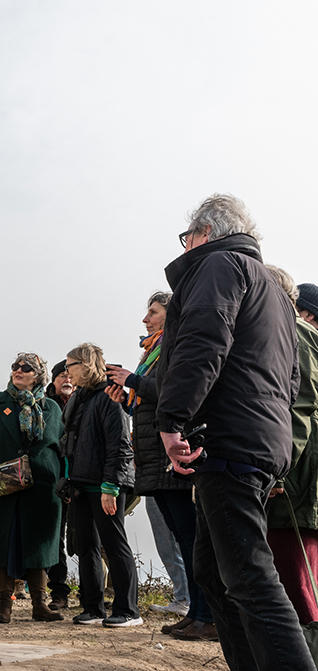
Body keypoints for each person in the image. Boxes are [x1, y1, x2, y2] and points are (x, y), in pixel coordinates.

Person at [158, 194, 312, 670]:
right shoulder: (271, 287)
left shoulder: (220, 265)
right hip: (257, 441)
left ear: (206, 232)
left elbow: (204, 341)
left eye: (188, 237)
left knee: (249, 576)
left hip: (229, 441)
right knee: (213, 570)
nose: (185, 247)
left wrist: (172, 419)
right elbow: (291, 379)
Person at [106, 291, 212, 639]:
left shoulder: (176, 344)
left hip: (171, 452)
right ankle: (195, 611)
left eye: (153, 312)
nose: (145, 318)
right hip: (153, 453)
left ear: (172, 313)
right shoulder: (152, 350)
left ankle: (205, 613)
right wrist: (126, 400)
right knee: (182, 536)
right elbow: (148, 403)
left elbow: (173, 388)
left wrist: (132, 381)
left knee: (189, 534)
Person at [0, 353, 64, 624]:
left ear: (38, 374)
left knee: (38, 543)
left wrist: (65, 479)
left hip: (42, 487)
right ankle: (4, 604)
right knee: (2, 542)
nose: (18, 371)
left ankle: (40, 604)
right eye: (15, 367)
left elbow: (65, 447)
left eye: (26, 368)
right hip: (2, 484)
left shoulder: (52, 408)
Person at [60, 343, 140, 627]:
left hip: (105, 485)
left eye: (71, 366)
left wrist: (111, 487)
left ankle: (128, 610)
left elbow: (119, 445)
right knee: (86, 545)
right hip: (81, 484)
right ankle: (93, 608)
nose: (67, 373)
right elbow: (71, 443)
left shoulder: (110, 396)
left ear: (86, 364)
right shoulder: (79, 399)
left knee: (114, 543)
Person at [264, 267, 318, 625]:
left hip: (294, 478)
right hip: (301, 476)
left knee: (294, 577)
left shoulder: (297, 334)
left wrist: (277, 467)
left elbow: (298, 405)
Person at [45, 360, 74, 611]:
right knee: (56, 539)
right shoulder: (46, 406)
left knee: (88, 540)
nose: (67, 379)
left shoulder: (83, 402)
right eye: (62, 376)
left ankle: (91, 591)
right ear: (53, 381)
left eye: (70, 375)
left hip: (82, 479)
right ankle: (59, 591)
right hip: (53, 482)